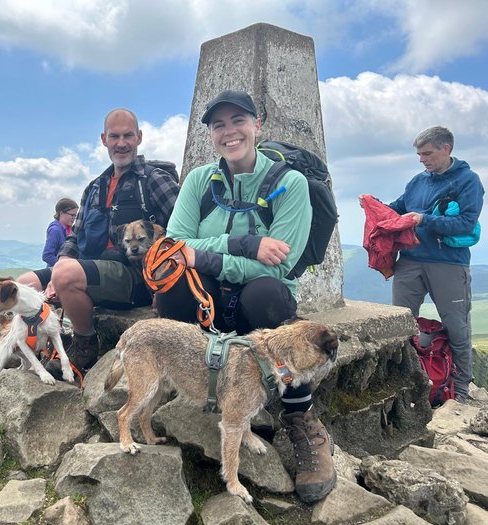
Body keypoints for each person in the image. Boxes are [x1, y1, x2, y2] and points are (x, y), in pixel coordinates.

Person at [156, 90, 335, 503]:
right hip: (210, 298)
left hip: (260, 307)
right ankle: (201, 388)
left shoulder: (289, 184)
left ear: (258, 125)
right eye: (218, 124)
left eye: (238, 120)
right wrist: (245, 245)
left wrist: (206, 254)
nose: (229, 131)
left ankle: (299, 419)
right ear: (211, 135)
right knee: (171, 294)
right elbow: (174, 247)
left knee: (267, 295)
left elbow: (279, 266)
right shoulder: (200, 181)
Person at [17, 108, 180, 376]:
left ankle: (84, 342)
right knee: (22, 285)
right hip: (90, 267)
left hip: (135, 275)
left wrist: (164, 283)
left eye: (128, 135)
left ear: (139, 137)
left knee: (65, 274)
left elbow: (183, 228)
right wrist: (61, 264)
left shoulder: (154, 180)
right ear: (104, 140)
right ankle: (34, 342)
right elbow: (75, 235)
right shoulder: (95, 186)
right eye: (114, 136)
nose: (121, 143)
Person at [359, 126, 484, 403]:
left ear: (446, 149)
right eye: (418, 154)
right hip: (410, 262)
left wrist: (424, 220)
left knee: (456, 327)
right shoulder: (417, 181)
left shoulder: (468, 181)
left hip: (449, 264)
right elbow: (397, 211)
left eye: (427, 153)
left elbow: (465, 223)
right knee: (400, 324)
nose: (422, 159)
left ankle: (460, 392)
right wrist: (373, 205)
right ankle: (403, 384)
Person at [42, 198, 79, 267]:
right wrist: (65, 266)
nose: (74, 218)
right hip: (55, 273)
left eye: (75, 215)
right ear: (61, 213)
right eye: (72, 215)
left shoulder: (70, 229)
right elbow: (47, 255)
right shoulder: (55, 230)